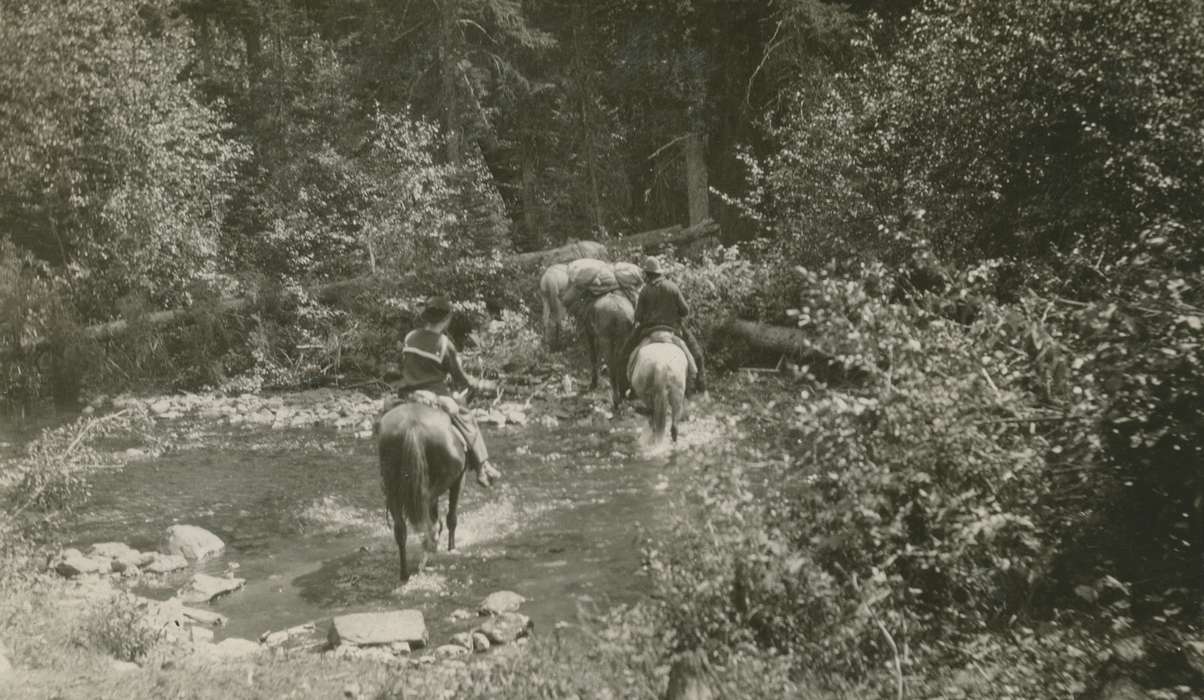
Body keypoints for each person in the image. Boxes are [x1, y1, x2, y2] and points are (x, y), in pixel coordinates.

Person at [396, 295, 502, 488]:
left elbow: (402, 365)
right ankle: (482, 466)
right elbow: (461, 378)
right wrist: (478, 384)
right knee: (466, 416)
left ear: (425, 317)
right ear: (446, 320)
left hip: (407, 394)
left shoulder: (409, 337)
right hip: (435, 396)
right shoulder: (444, 344)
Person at [615, 256, 707, 403]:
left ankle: (625, 391)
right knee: (697, 355)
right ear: (659, 273)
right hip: (672, 330)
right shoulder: (672, 287)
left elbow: (638, 316)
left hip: (649, 331)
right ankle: (699, 388)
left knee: (624, 356)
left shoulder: (645, 290)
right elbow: (685, 310)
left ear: (648, 274)